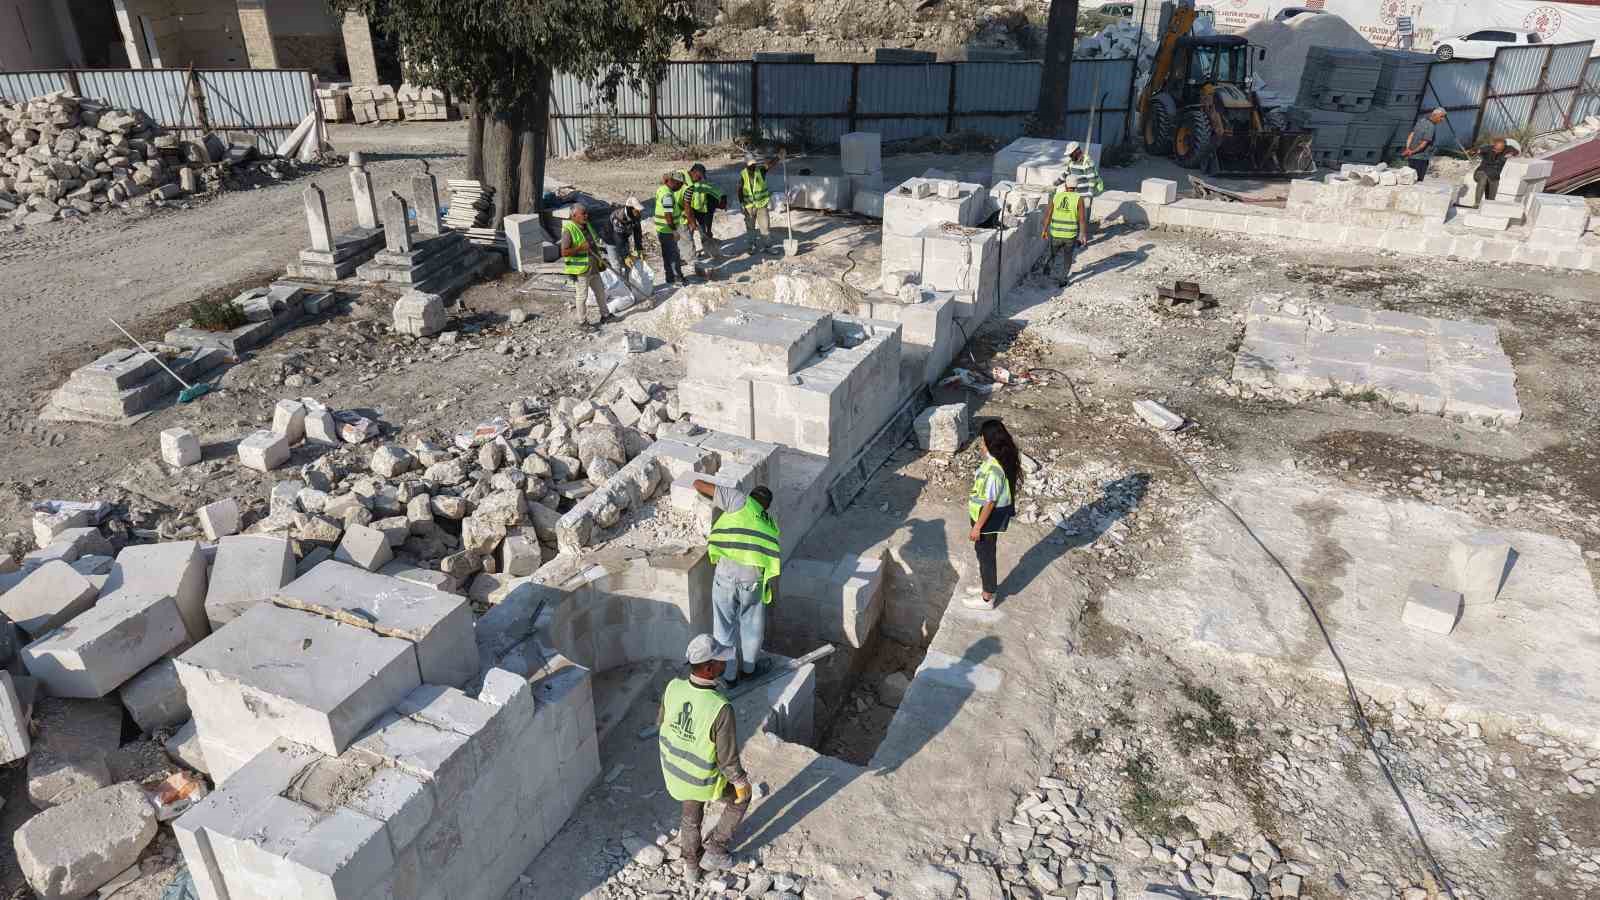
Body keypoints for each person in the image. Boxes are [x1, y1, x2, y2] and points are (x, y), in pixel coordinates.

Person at [657, 634, 752, 884]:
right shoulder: (719, 707)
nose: (725, 664)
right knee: (742, 797)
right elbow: (727, 760)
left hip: (675, 773)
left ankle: (691, 865)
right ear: (709, 668)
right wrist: (740, 783)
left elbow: (662, 724)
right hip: (701, 779)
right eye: (721, 661)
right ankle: (716, 850)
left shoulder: (673, 687)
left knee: (690, 817)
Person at [692, 479, 780, 685]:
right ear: (766, 506)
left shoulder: (739, 500)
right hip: (752, 581)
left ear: (751, 496)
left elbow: (698, 484)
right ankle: (749, 671)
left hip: (726, 576)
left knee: (723, 627)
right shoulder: (769, 522)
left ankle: (729, 677)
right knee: (752, 626)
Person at [963, 419, 1020, 611]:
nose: (979, 443)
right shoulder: (993, 462)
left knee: (986, 556)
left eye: (981, 440)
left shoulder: (995, 471)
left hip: (985, 521)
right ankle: (986, 587)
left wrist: (977, 527)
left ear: (987, 442)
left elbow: (990, 502)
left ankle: (987, 598)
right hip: (982, 518)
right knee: (983, 554)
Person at [558, 205, 606, 327]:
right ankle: (582, 322)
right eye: (583, 213)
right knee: (582, 296)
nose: (586, 216)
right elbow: (564, 252)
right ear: (574, 216)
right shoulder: (568, 230)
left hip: (593, 267)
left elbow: (593, 245)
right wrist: (580, 248)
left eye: (586, 213)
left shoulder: (585, 226)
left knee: (600, 291)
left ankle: (605, 315)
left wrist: (600, 261)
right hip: (580, 270)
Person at [1039, 174, 1089, 287]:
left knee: (1052, 254)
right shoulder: (1079, 199)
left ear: (1066, 185)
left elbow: (1048, 215)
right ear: (1076, 187)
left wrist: (1045, 230)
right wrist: (1082, 235)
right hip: (1070, 235)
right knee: (1067, 257)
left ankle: (1045, 274)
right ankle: (1063, 279)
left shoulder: (1056, 196)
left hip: (1056, 233)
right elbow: (1082, 219)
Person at [736, 154, 782, 256]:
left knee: (765, 227)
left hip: (761, 204)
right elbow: (739, 189)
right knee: (750, 228)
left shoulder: (760, 170)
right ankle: (751, 246)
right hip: (749, 206)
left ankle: (768, 246)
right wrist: (741, 204)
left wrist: (779, 157)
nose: (753, 166)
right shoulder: (743, 175)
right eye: (751, 164)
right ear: (746, 164)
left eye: (754, 164)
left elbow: (770, 165)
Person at [604, 197, 648, 300]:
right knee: (617, 265)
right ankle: (620, 292)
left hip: (623, 238)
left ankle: (629, 286)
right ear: (629, 208)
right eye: (637, 210)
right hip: (611, 240)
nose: (639, 212)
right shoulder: (618, 217)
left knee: (629, 264)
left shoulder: (636, 216)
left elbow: (637, 232)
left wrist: (639, 249)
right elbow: (618, 240)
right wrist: (625, 256)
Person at [653, 172, 688, 285]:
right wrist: (674, 231)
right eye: (680, 184)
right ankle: (677, 278)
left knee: (667, 254)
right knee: (674, 255)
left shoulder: (662, 189)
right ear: (674, 182)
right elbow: (668, 214)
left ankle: (670, 278)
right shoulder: (667, 195)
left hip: (662, 229)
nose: (681, 187)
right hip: (668, 230)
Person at [1065, 140, 1104, 239]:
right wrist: (1056, 182)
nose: (1069, 156)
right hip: (1075, 194)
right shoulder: (1071, 162)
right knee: (1075, 216)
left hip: (1085, 194)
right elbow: (1066, 174)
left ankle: (1083, 237)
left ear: (1076, 151)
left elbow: (1092, 179)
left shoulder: (1087, 162)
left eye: (1070, 154)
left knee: (1084, 217)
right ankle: (1076, 234)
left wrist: (1089, 194)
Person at [685, 163, 725, 259]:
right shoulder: (685, 184)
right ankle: (689, 256)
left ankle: (708, 252)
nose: (700, 179)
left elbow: (718, 191)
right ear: (694, 172)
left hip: (701, 213)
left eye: (701, 177)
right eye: (699, 177)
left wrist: (723, 198)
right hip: (689, 211)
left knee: (704, 234)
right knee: (687, 234)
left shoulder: (704, 184)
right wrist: (690, 219)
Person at [1470, 136, 1520, 204]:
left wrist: (1511, 154)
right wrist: (1474, 151)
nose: (1496, 151)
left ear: (1503, 147)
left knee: (1491, 199)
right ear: (1494, 146)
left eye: (1499, 150)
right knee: (1483, 178)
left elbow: (1516, 151)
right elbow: (1477, 150)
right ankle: (1477, 203)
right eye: (1495, 149)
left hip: (1494, 177)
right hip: (1481, 172)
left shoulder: (1508, 148)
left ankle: (1488, 206)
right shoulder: (1488, 148)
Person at [1401, 107, 1448, 181]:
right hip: (1421, 158)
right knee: (1418, 180)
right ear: (1434, 115)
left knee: (1409, 179)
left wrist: (1408, 149)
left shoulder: (1421, 121)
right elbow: (1424, 143)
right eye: (1441, 116)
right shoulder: (1431, 127)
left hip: (1411, 157)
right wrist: (1412, 152)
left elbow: (1411, 135)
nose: (1442, 119)